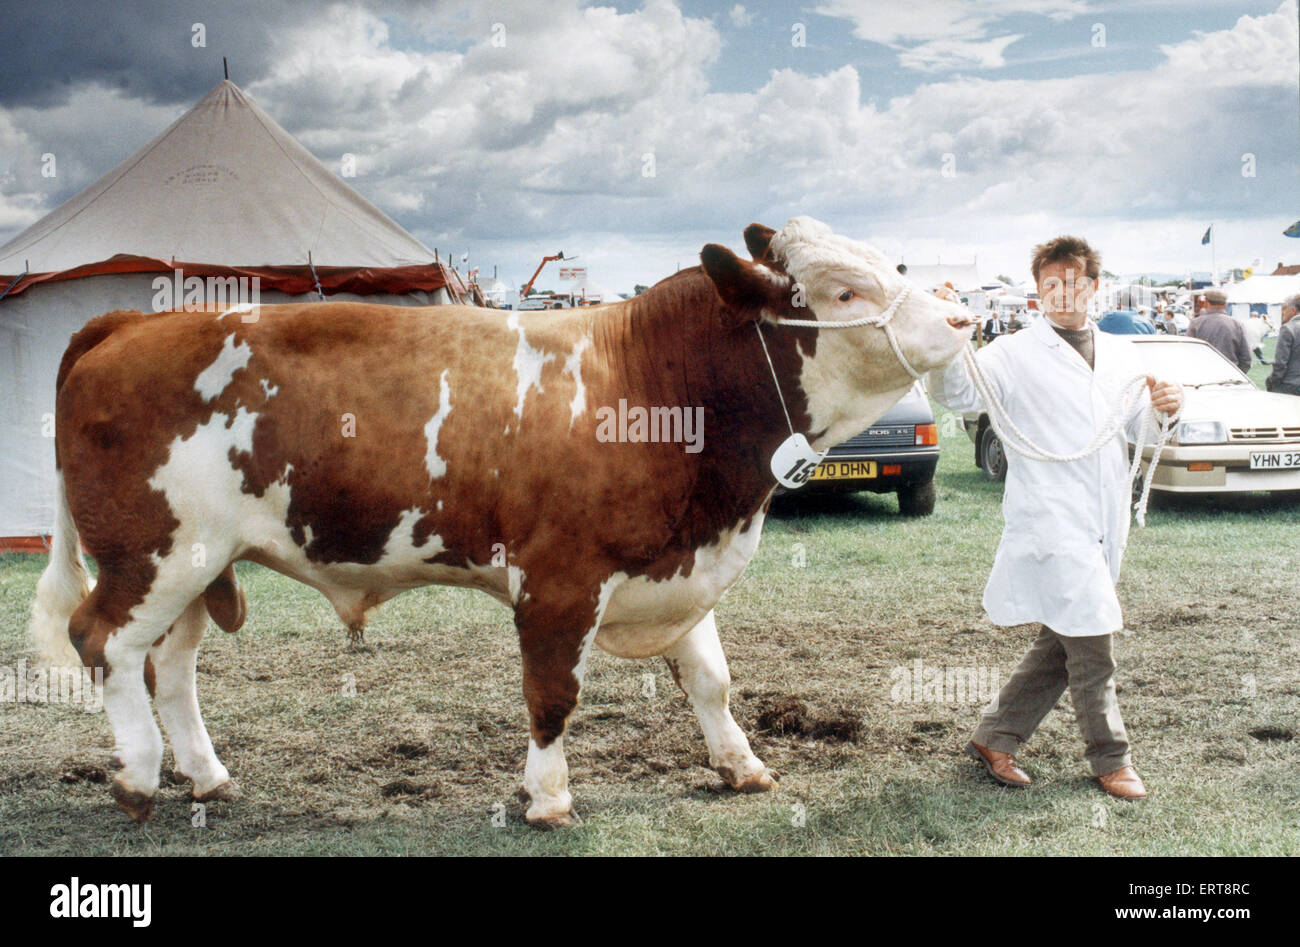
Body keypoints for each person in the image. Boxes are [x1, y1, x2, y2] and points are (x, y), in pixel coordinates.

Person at [929, 235, 1183, 801]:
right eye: (1051, 284)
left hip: (1103, 515)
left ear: (1093, 286)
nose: (1063, 293)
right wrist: (948, 337)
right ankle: (1111, 759)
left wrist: (1169, 408)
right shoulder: (1013, 353)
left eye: (1074, 282)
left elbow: (1141, 432)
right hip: (1050, 515)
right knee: (1093, 637)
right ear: (1038, 292)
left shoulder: (1123, 353)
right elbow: (958, 393)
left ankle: (995, 736)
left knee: (1063, 638)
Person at [1188, 289, 1251, 373]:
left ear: (1206, 303)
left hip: (1203, 374)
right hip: (1230, 376)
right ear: (1225, 304)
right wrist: (1237, 374)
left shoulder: (1196, 324)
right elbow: (1246, 358)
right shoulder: (1237, 324)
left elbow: (1189, 353)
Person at [1265, 294, 1300, 395]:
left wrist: (1271, 382)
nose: (1282, 314)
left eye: (1284, 310)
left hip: (1290, 385)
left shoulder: (1288, 329)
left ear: (1292, 311)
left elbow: (1280, 363)